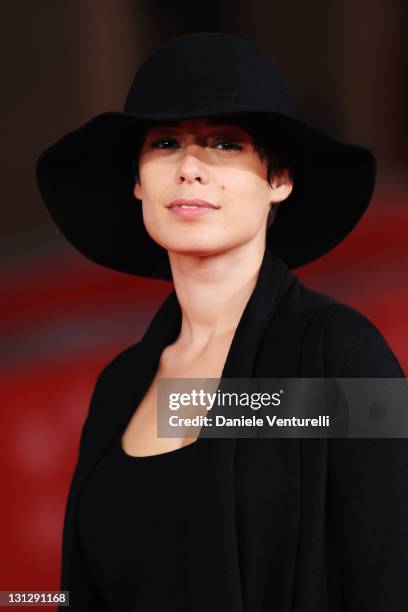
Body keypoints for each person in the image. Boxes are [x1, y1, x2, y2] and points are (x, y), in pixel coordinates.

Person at [36, 32, 408, 612]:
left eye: (226, 143)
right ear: (138, 182)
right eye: (164, 142)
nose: (189, 167)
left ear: (278, 179)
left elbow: (390, 581)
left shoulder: (340, 355)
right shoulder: (118, 387)